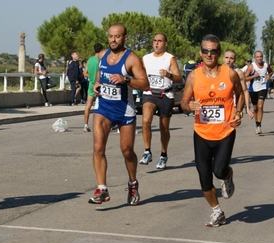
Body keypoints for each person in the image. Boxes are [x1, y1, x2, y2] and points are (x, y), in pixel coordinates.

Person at [180, 34, 244, 227]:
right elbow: (183, 102)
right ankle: (217, 211)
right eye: (205, 51)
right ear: (200, 53)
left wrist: (238, 113)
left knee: (218, 170)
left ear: (219, 52)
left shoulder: (229, 74)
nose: (209, 54)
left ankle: (227, 175)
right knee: (204, 176)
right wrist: (188, 106)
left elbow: (240, 94)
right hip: (201, 133)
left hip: (225, 131)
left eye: (213, 51)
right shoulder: (193, 76)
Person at [88, 24, 149, 205]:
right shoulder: (102, 55)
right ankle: (102, 189)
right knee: (98, 147)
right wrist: (98, 84)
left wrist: (126, 80)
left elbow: (145, 84)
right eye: (110, 36)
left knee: (127, 150)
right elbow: (100, 74)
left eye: (117, 37)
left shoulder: (132, 59)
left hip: (124, 111)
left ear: (125, 38)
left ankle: (132, 183)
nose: (113, 40)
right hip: (103, 108)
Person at [140, 33, 183, 169]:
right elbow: (139, 74)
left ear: (165, 43)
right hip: (150, 93)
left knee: (164, 128)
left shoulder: (169, 58)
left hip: (165, 94)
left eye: (160, 41)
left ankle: (163, 154)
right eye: (155, 40)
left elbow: (179, 79)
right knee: (146, 121)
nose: (156, 43)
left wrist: (168, 75)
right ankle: (147, 151)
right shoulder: (146, 58)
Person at [244, 51, 273, 134]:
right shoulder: (252, 67)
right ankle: (257, 124)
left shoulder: (266, 65)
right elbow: (245, 78)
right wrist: (254, 76)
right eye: (257, 57)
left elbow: (271, 71)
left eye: (261, 56)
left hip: (263, 88)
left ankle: (259, 125)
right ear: (255, 58)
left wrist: (269, 75)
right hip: (253, 89)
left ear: (262, 57)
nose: (259, 58)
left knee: (260, 106)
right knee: (255, 108)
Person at [223, 50, 253, 119]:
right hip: (220, 103)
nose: (228, 60)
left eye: (231, 58)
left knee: (231, 126)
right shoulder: (218, 70)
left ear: (235, 60)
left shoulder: (239, 73)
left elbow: (245, 91)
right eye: (226, 57)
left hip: (233, 105)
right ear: (223, 58)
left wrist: (247, 108)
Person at [83, 43, 103, 133]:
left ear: (94, 50)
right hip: (100, 85)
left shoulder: (90, 60)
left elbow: (85, 73)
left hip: (91, 84)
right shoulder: (101, 59)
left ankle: (85, 125)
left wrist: (91, 77)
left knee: (88, 105)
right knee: (103, 106)